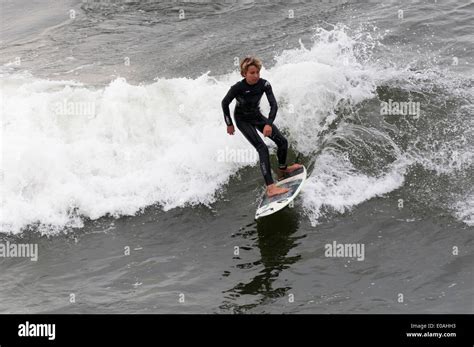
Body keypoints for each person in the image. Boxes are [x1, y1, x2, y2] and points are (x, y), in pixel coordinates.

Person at [221, 56, 302, 197]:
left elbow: (274, 105)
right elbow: (224, 102)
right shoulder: (237, 88)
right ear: (244, 74)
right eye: (252, 73)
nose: (256, 76)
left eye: (257, 72)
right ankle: (271, 188)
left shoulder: (264, 85)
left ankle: (283, 170)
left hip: (256, 116)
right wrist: (229, 124)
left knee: (282, 141)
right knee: (262, 148)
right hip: (242, 120)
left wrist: (268, 124)